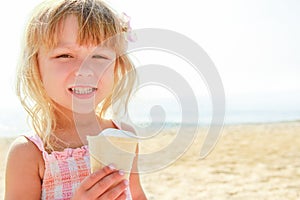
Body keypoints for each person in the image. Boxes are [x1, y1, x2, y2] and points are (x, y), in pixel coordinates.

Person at [5, 0, 147, 199]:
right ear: (35, 67)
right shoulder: (30, 153)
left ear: (117, 65)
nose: (85, 70)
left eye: (99, 56)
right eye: (65, 55)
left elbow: (137, 195)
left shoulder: (121, 136)